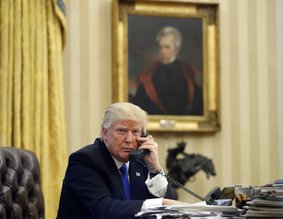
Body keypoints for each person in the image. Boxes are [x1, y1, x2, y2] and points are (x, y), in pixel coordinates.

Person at [56, 102, 184, 219]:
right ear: (105, 133)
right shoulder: (85, 160)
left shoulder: (140, 161)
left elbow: (169, 208)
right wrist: (159, 204)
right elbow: (105, 210)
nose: (129, 139)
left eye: (135, 132)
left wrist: (155, 168)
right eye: (122, 131)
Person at [133, 26, 203, 115]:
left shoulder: (187, 74)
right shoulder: (149, 73)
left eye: (167, 47)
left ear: (177, 49)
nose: (163, 51)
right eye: (160, 47)